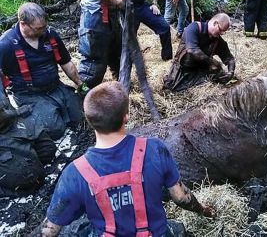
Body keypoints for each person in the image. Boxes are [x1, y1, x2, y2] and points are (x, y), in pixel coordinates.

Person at [32, 81, 215, 236]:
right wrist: (203, 210)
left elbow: (50, 230)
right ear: (126, 117)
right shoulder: (155, 149)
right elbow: (181, 197)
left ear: (89, 121)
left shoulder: (74, 173)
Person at [0, 3, 82, 140]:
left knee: (80, 117)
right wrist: (5, 109)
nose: (43, 30)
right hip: (29, 94)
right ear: (23, 24)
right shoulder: (6, 44)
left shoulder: (50, 34)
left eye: (45, 26)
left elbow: (66, 62)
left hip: (56, 87)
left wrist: (81, 84)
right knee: (55, 130)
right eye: (39, 28)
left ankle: (58, 109)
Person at [0, 78, 56, 198]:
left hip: (8, 123)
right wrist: (18, 112)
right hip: (5, 121)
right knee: (26, 179)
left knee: (48, 150)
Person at [163, 13, 235, 91]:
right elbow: (192, 50)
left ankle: (202, 77)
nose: (222, 33)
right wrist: (212, 62)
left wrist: (230, 72)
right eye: (221, 30)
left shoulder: (218, 40)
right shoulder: (194, 28)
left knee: (221, 74)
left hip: (202, 68)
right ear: (215, 23)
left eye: (224, 32)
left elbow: (230, 59)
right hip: (183, 68)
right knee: (171, 88)